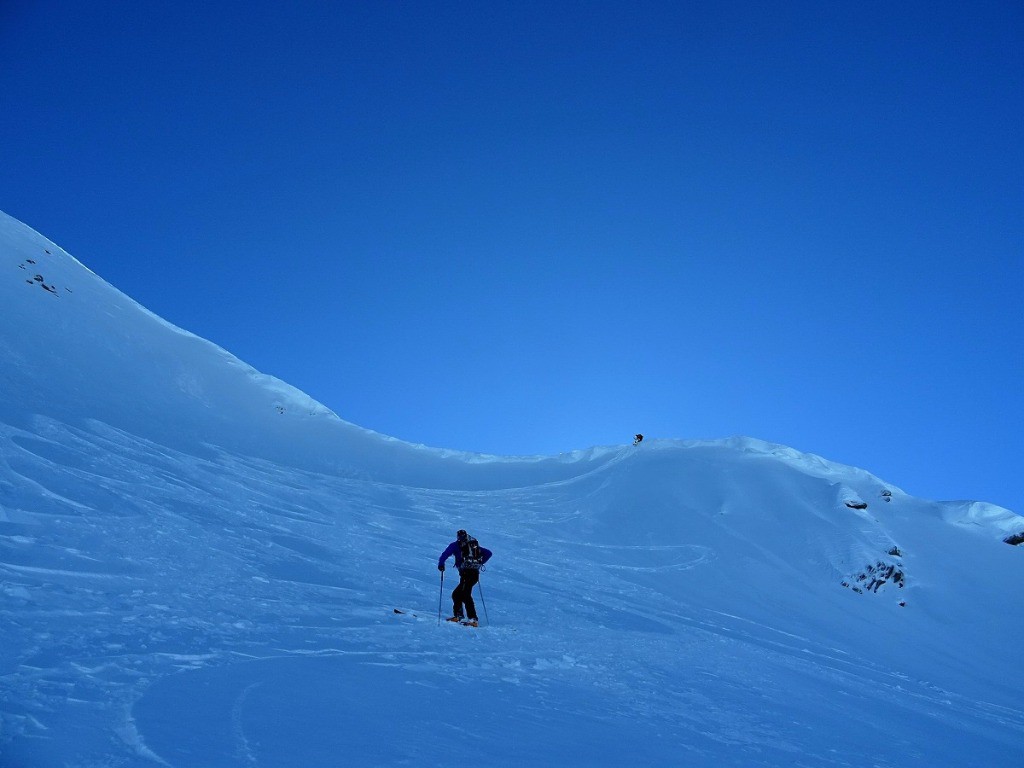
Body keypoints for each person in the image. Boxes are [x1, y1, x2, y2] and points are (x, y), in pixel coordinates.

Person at [437, 529, 492, 626]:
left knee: (464, 594)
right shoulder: (473, 545)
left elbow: (444, 554)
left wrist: (441, 564)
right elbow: (488, 553)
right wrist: (479, 563)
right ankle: (460, 616)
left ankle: (472, 619)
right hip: (474, 574)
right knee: (458, 594)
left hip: (466, 573)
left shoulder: (455, 545)